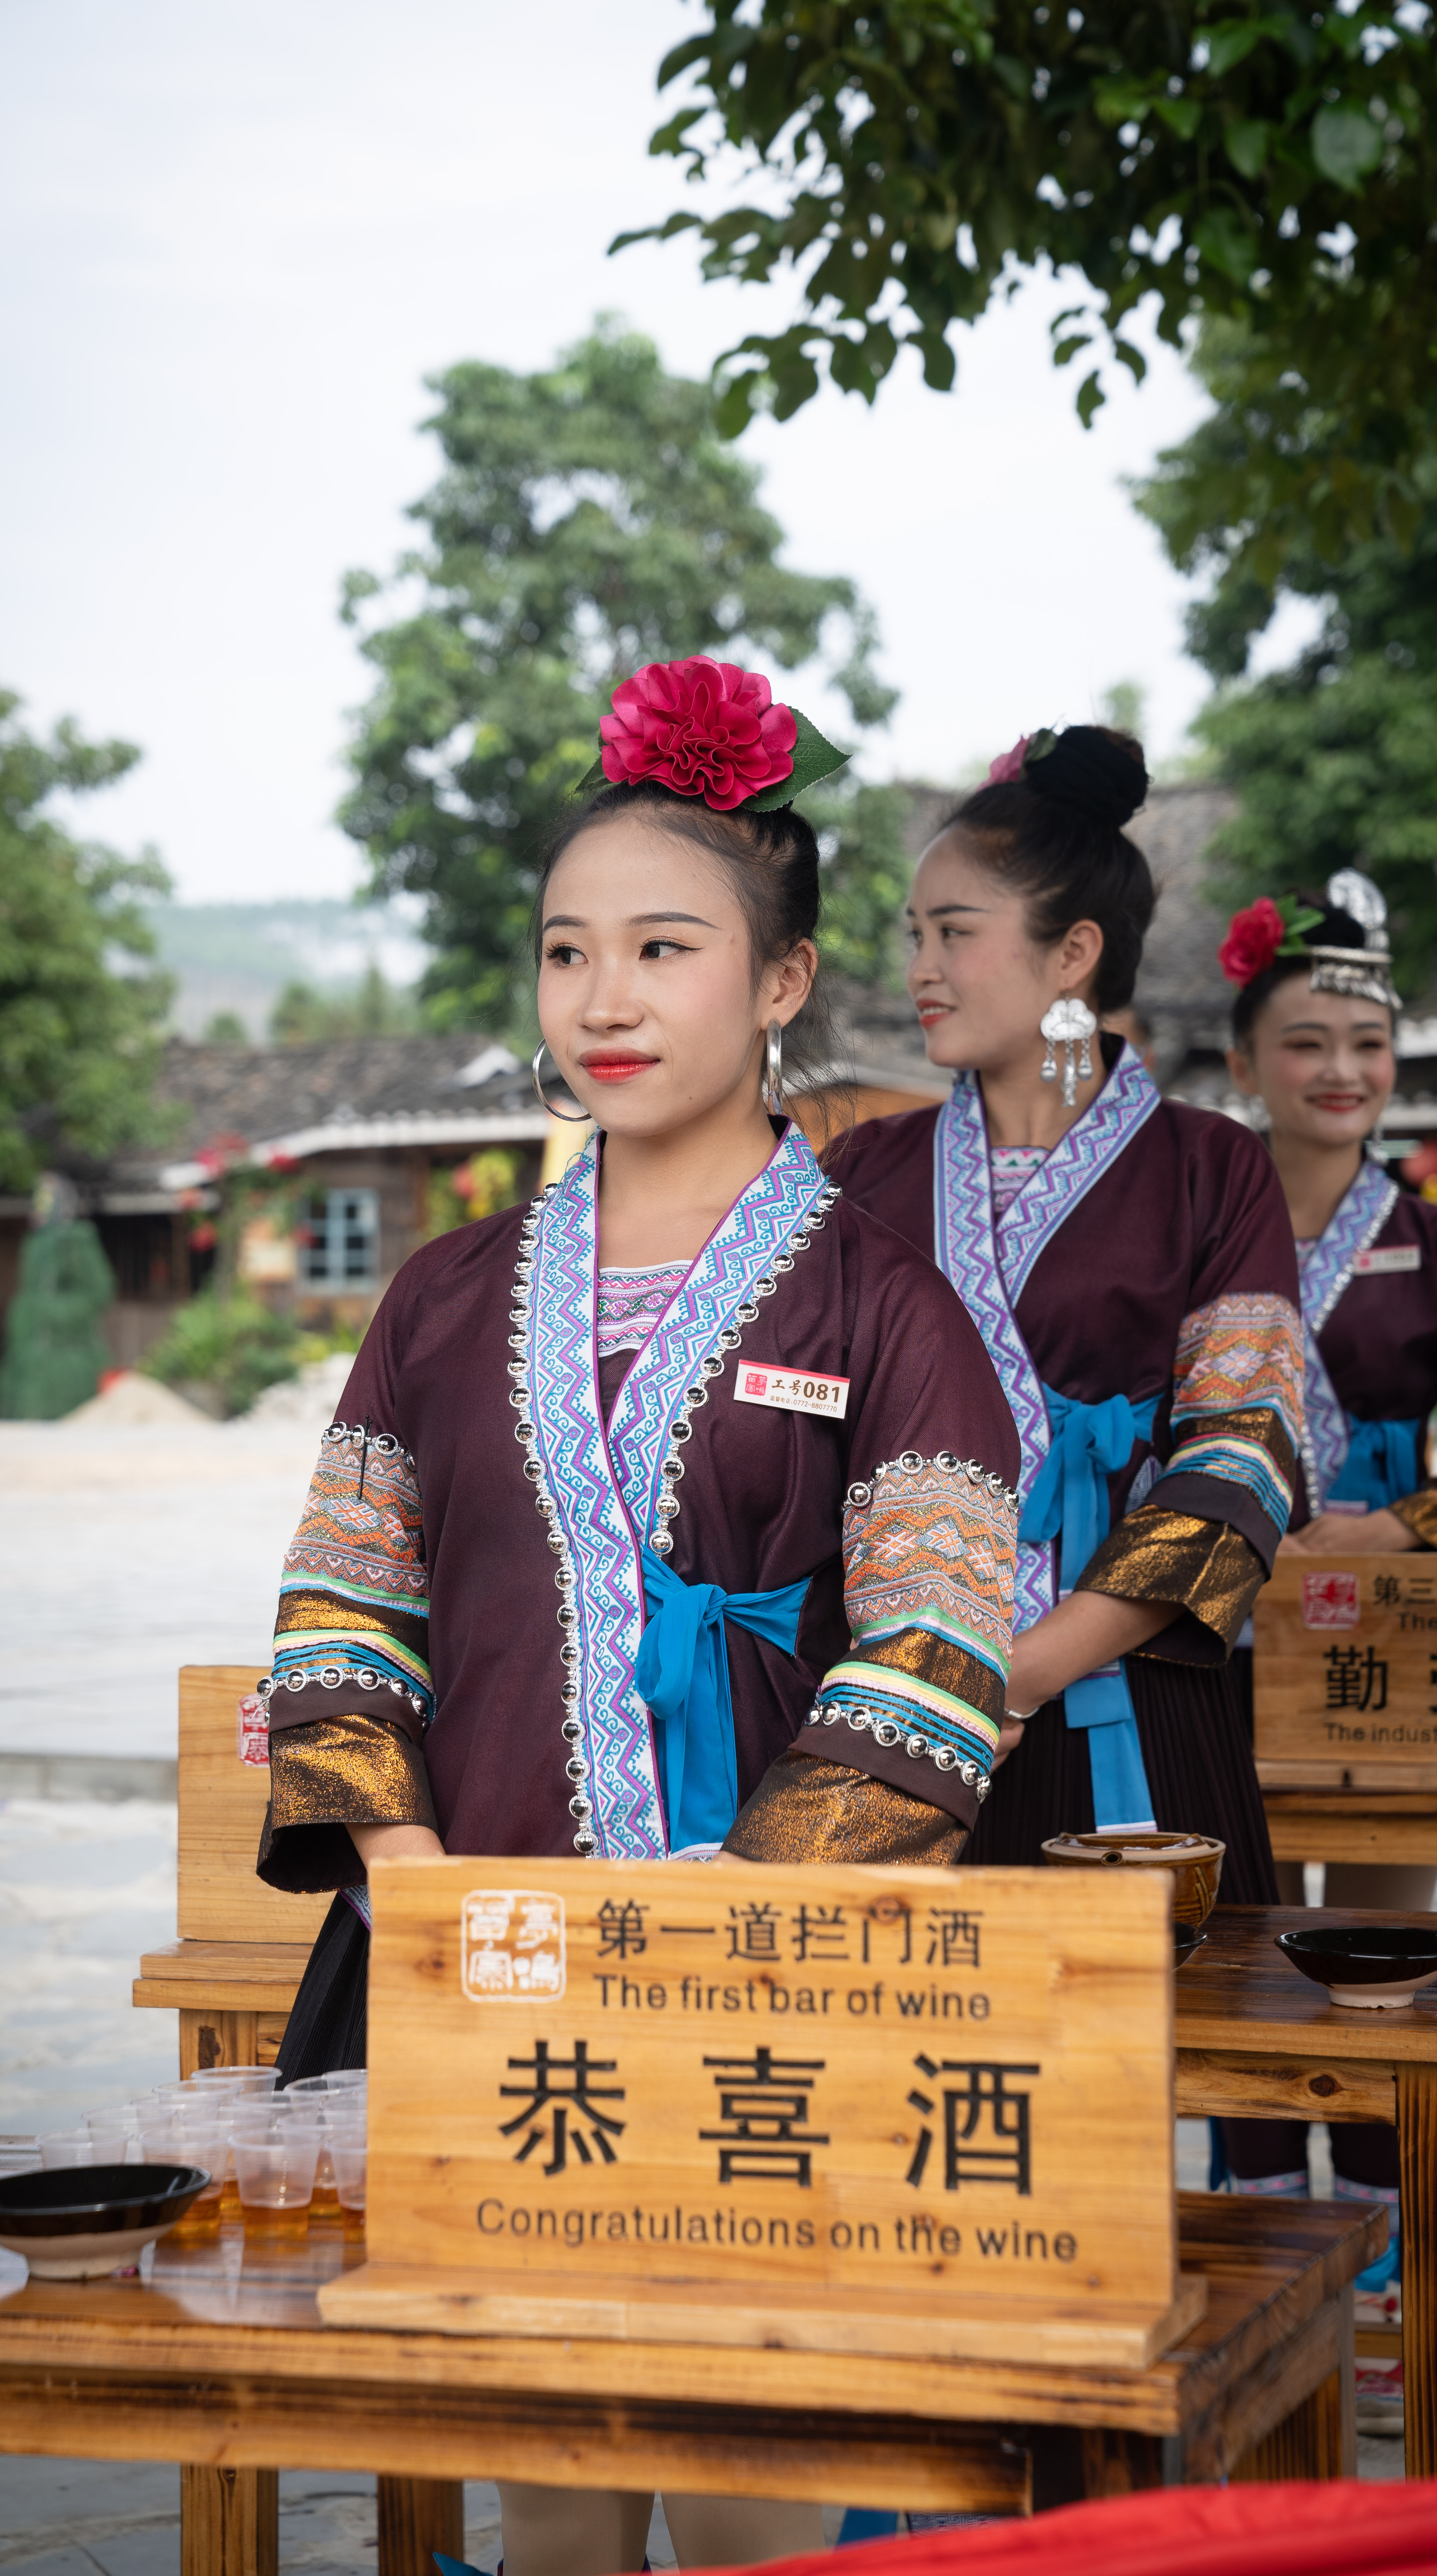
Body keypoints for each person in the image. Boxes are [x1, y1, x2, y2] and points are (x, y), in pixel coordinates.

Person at [253, 655, 1024, 2576]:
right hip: (488, 1965)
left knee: (756, 2478)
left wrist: (727, 1926)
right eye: (565, 951)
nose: (603, 998)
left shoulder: (890, 1310)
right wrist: (423, 1884)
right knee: (560, 2483)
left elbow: (935, 1657)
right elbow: (342, 1614)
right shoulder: (437, 1295)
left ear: (776, 986)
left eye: (664, 948)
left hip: (779, 1981)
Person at [828, 724, 1303, 1894]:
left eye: (955, 933)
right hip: (888, 1708)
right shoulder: (857, 1175)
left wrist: (1021, 1672)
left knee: (1156, 2058)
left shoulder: (1213, 1168)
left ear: (1072, 954)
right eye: (914, 936)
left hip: (1122, 1700)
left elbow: (1240, 1465)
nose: (920, 968)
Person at [1215, 873, 1437, 2261]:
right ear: (1245, 1062)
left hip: (1379, 1648)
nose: (1345, 1071)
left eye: (1369, 1046)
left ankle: (1373, 2275)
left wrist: (1406, 1527)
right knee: (1239, 1952)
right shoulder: (1186, 1224)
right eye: (1308, 1042)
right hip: (1204, 1631)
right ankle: (1258, 2267)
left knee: (1371, 1974)